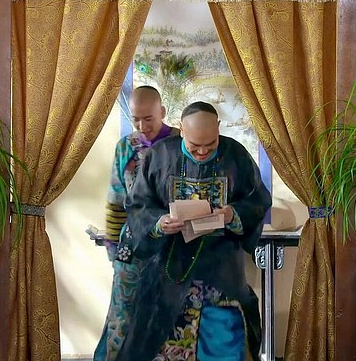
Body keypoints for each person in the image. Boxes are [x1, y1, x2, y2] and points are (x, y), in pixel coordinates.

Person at [116, 101, 271, 361]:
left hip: (221, 271)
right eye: (194, 145)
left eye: (210, 145)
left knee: (225, 343)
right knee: (159, 343)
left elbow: (258, 200)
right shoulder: (159, 156)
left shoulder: (236, 155)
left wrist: (233, 214)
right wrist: (159, 223)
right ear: (181, 129)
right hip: (168, 269)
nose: (202, 152)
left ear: (218, 128)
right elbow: (138, 205)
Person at [94, 85, 179, 361]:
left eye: (149, 119)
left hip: (173, 246)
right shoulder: (125, 148)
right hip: (131, 244)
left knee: (170, 316)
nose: (142, 126)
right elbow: (116, 199)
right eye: (136, 120)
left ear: (162, 112)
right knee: (122, 315)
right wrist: (112, 248)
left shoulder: (180, 143)